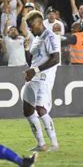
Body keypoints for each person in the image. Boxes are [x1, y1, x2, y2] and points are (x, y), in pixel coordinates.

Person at [23, 10, 60, 152]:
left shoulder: (49, 36)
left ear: (39, 22)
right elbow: (31, 61)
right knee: (29, 109)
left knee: (37, 108)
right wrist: (26, 48)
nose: (30, 29)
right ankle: (42, 144)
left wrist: (36, 71)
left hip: (43, 78)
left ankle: (54, 144)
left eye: (31, 26)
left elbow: (56, 59)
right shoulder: (36, 38)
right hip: (34, 77)